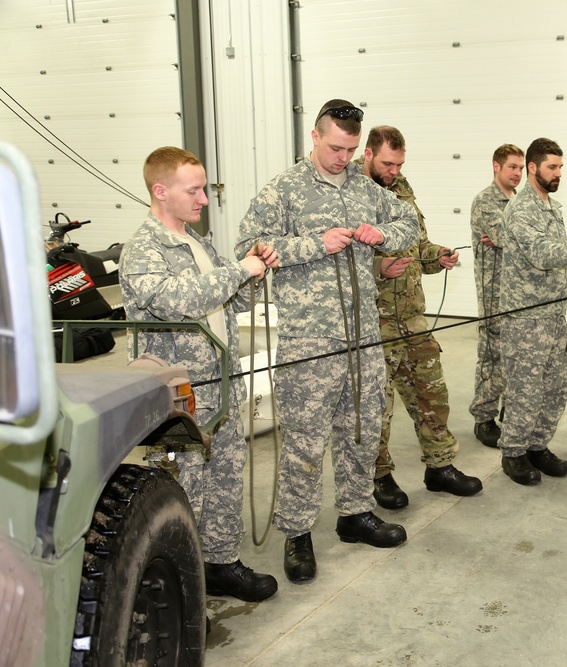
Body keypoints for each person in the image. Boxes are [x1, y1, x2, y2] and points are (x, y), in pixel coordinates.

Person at [235, 100, 418, 584]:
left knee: (361, 429)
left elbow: (410, 225)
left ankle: (355, 514)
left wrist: (380, 234)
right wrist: (315, 244)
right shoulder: (284, 190)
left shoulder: (364, 186)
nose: (344, 157)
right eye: (336, 147)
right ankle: (297, 534)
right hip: (310, 341)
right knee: (304, 443)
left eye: (352, 149)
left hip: (363, 337)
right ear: (315, 137)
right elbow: (248, 247)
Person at [120, 146, 279, 602]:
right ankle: (176, 595)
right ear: (160, 190)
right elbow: (174, 301)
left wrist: (253, 272)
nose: (204, 199)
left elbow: (228, 303)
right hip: (180, 395)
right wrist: (238, 271)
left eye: (204, 189)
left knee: (227, 479)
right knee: (179, 493)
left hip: (223, 388)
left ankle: (220, 564)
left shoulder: (198, 243)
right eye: (194, 190)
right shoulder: (143, 249)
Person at [359, 125, 482, 509]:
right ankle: (379, 476)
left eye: (399, 164)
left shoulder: (402, 191)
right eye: (387, 163)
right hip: (371, 323)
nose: (394, 170)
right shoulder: (349, 195)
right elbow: (338, 263)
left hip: (410, 318)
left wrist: (436, 255)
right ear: (367, 155)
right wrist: (380, 266)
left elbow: (417, 246)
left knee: (432, 393)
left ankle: (440, 467)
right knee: (376, 409)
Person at [497, 138, 567, 485]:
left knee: (555, 387)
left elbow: (556, 247)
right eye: (552, 167)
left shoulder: (551, 206)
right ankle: (513, 451)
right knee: (525, 389)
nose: (558, 173)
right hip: (526, 316)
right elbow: (540, 253)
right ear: (533, 168)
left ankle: (537, 444)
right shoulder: (521, 209)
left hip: (553, 314)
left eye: (560, 167)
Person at [469, 144, 524, 447]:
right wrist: (515, 235)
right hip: (495, 293)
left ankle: (508, 408)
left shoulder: (518, 201)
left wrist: (512, 235)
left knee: (515, 354)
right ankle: (484, 415)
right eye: (511, 167)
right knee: (492, 355)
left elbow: (515, 238)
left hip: (519, 290)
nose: (517, 173)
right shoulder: (486, 201)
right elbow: (509, 238)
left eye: (520, 168)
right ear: (496, 167)